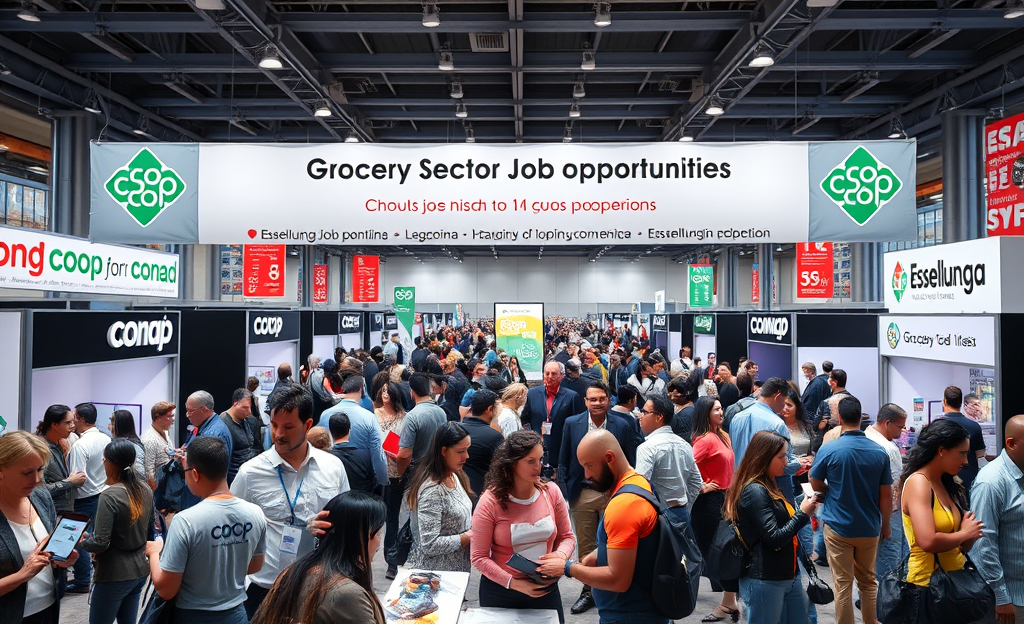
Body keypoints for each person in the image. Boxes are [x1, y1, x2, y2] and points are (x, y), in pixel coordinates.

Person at [231, 382, 349, 619]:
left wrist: (329, 527)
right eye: (274, 425)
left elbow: (346, 520)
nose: (278, 434)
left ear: (307, 425)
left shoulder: (332, 467)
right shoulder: (250, 473)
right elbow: (231, 526)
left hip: (317, 585)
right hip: (264, 587)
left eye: (288, 427)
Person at [147, 437, 267, 624]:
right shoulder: (255, 513)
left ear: (194, 474)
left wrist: (154, 554)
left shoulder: (185, 521)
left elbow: (166, 589)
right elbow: (254, 566)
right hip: (237, 614)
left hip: (192, 616)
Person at [470, 430, 575, 622]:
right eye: (530, 461)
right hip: (501, 591)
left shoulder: (551, 492)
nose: (538, 466)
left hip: (545, 589)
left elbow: (567, 536)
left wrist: (560, 557)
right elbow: (479, 557)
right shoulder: (490, 501)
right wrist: (515, 584)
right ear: (511, 463)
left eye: (540, 459)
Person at [563, 430, 665, 624]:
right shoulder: (639, 482)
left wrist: (567, 568)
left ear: (609, 457)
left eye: (589, 466)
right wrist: (599, 552)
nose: (586, 475)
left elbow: (618, 580)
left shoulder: (624, 504)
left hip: (629, 615)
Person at [558, 381, 642, 615]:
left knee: (612, 545)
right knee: (586, 547)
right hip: (581, 494)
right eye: (592, 399)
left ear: (609, 400)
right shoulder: (571, 423)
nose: (597, 403)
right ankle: (589, 591)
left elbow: (629, 459)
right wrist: (566, 492)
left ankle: (612, 589)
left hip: (612, 494)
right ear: (585, 401)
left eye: (601, 399)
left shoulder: (623, 424)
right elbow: (563, 459)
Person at [809, 396, 892, 624]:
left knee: (843, 584)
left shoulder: (830, 450)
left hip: (838, 527)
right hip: (869, 527)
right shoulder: (878, 452)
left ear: (840, 418)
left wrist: (828, 491)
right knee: (868, 582)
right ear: (861, 417)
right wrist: (885, 525)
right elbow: (886, 495)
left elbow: (814, 480)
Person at [726, 430, 820, 624]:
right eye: (781, 457)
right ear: (764, 457)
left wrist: (804, 503)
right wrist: (803, 514)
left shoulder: (768, 483)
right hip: (765, 578)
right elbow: (774, 538)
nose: (786, 462)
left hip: (786, 574)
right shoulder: (755, 490)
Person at [251, 492, 385, 624]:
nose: (379, 541)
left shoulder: (295, 571)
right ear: (360, 537)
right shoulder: (347, 593)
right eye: (378, 533)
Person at [900, 418, 983, 613]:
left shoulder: (947, 483)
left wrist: (968, 534)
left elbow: (962, 546)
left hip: (954, 585)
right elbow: (927, 541)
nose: (966, 461)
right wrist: (965, 533)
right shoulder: (919, 483)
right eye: (962, 454)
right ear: (941, 450)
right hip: (927, 589)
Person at [0, 431, 76, 624]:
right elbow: (27, 568)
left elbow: (46, 555)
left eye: (40, 470)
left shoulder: (40, 497)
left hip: (48, 607)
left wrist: (61, 558)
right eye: (26, 472)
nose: (35, 479)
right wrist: (22, 575)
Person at [79, 439, 153, 624]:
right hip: (140, 570)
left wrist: (82, 540)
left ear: (110, 462)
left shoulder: (110, 495)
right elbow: (150, 530)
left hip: (114, 573)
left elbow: (101, 542)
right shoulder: (145, 489)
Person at [690, 396, 740, 622]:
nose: (721, 412)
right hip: (709, 504)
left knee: (727, 552)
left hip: (726, 498)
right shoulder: (704, 440)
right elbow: (686, 470)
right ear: (705, 413)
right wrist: (700, 487)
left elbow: (731, 467)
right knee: (718, 553)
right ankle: (728, 602)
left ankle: (730, 602)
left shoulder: (724, 435)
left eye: (721, 408)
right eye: (716, 409)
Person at [972, 414, 1024, 622]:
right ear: (1011, 444)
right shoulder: (991, 482)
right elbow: (983, 543)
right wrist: (1001, 596)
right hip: (1011, 597)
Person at [406, 422, 474, 572]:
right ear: (443, 451)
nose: (466, 456)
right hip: (437, 576)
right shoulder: (433, 491)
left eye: (467, 450)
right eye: (460, 451)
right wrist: (467, 537)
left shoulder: (455, 475)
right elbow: (429, 544)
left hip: (457, 572)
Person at [730, 378, 810, 504]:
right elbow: (784, 465)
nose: (783, 408)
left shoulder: (737, 417)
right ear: (778, 396)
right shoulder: (776, 423)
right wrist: (799, 463)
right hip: (769, 490)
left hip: (740, 486)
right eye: (784, 402)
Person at [635, 394, 703, 522]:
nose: (640, 416)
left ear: (659, 417)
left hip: (658, 516)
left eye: (644, 412)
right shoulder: (685, 445)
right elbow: (696, 482)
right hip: (682, 513)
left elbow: (641, 488)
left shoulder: (647, 448)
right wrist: (685, 507)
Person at [317, 373, 388, 489]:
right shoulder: (368, 417)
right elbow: (377, 451)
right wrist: (382, 480)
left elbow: (318, 446)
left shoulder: (325, 415)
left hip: (331, 478)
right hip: (360, 479)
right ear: (361, 389)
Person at [67, 402, 109, 593]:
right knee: (93, 537)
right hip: (102, 494)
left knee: (80, 538)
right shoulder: (105, 439)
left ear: (82, 419)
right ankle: (90, 576)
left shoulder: (80, 444)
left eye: (74, 417)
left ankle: (83, 580)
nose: (72, 421)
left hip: (83, 498)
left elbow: (78, 478)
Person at [865, 404, 909, 585]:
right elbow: (894, 488)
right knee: (890, 562)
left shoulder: (864, 438)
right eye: (899, 426)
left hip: (866, 511)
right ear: (887, 422)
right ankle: (887, 603)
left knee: (869, 564)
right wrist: (888, 522)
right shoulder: (888, 448)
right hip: (887, 512)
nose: (902, 431)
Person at [521, 361, 585, 474]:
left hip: (560, 446)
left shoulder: (571, 396)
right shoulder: (532, 393)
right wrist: (531, 435)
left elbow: (578, 423)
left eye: (554, 374)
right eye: (547, 374)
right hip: (537, 444)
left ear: (562, 375)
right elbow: (525, 419)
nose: (550, 377)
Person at [371, 375, 406, 580]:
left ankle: (391, 561)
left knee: (392, 518)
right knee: (375, 516)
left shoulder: (404, 416)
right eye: (383, 391)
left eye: (388, 392)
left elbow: (407, 445)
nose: (385, 395)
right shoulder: (374, 414)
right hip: (377, 472)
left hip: (396, 472)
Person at [396, 372, 449, 479]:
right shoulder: (441, 412)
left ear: (412, 392)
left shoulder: (412, 417)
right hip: (436, 470)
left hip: (417, 473)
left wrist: (400, 474)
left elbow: (404, 455)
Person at [938, 385, 987, 499]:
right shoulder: (974, 426)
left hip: (943, 480)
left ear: (944, 402)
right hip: (968, 479)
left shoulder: (937, 426)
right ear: (961, 403)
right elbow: (980, 454)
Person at [36, 405, 85, 512]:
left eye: (73, 422)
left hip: (65, 510)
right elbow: (40, 490)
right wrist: (70, 482)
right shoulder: (40, 450)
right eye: (68, 423)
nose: (72, 426)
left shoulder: (61, 445)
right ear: (54, 424)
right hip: (51, 512)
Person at [461, 390, 505, 497]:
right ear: (490, 409)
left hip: (455, 489)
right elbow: (503, 467)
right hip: (479, 493)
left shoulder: (455, 428)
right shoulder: (493, 436)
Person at [220, 388, 265, 484]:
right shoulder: (223, 424)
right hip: (234, 479)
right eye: (245, 408)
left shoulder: (249, 421)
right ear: (235, 404)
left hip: (250, 475)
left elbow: (256, 447)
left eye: (249, 408)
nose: (248, 411)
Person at [328, 412, 376, 494]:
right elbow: (372, 480)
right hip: (361, 500)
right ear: (349, 431)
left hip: (337, 502)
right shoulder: (365, 454)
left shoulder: (327, 457)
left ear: (330, 431)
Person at [142, 402, 176, 490]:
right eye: (169, 416)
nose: (172, 420)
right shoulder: (150, 439)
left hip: (168, 485)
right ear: (158, 417)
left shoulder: (165, 433)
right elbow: (148, 471)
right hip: (159, 489)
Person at [109, 410, 146, 480]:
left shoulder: (132, 446)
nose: (109, 426)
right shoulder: (116, 443)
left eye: (112, 422)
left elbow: (140, 472)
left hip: (130, 487)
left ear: (119, 425)